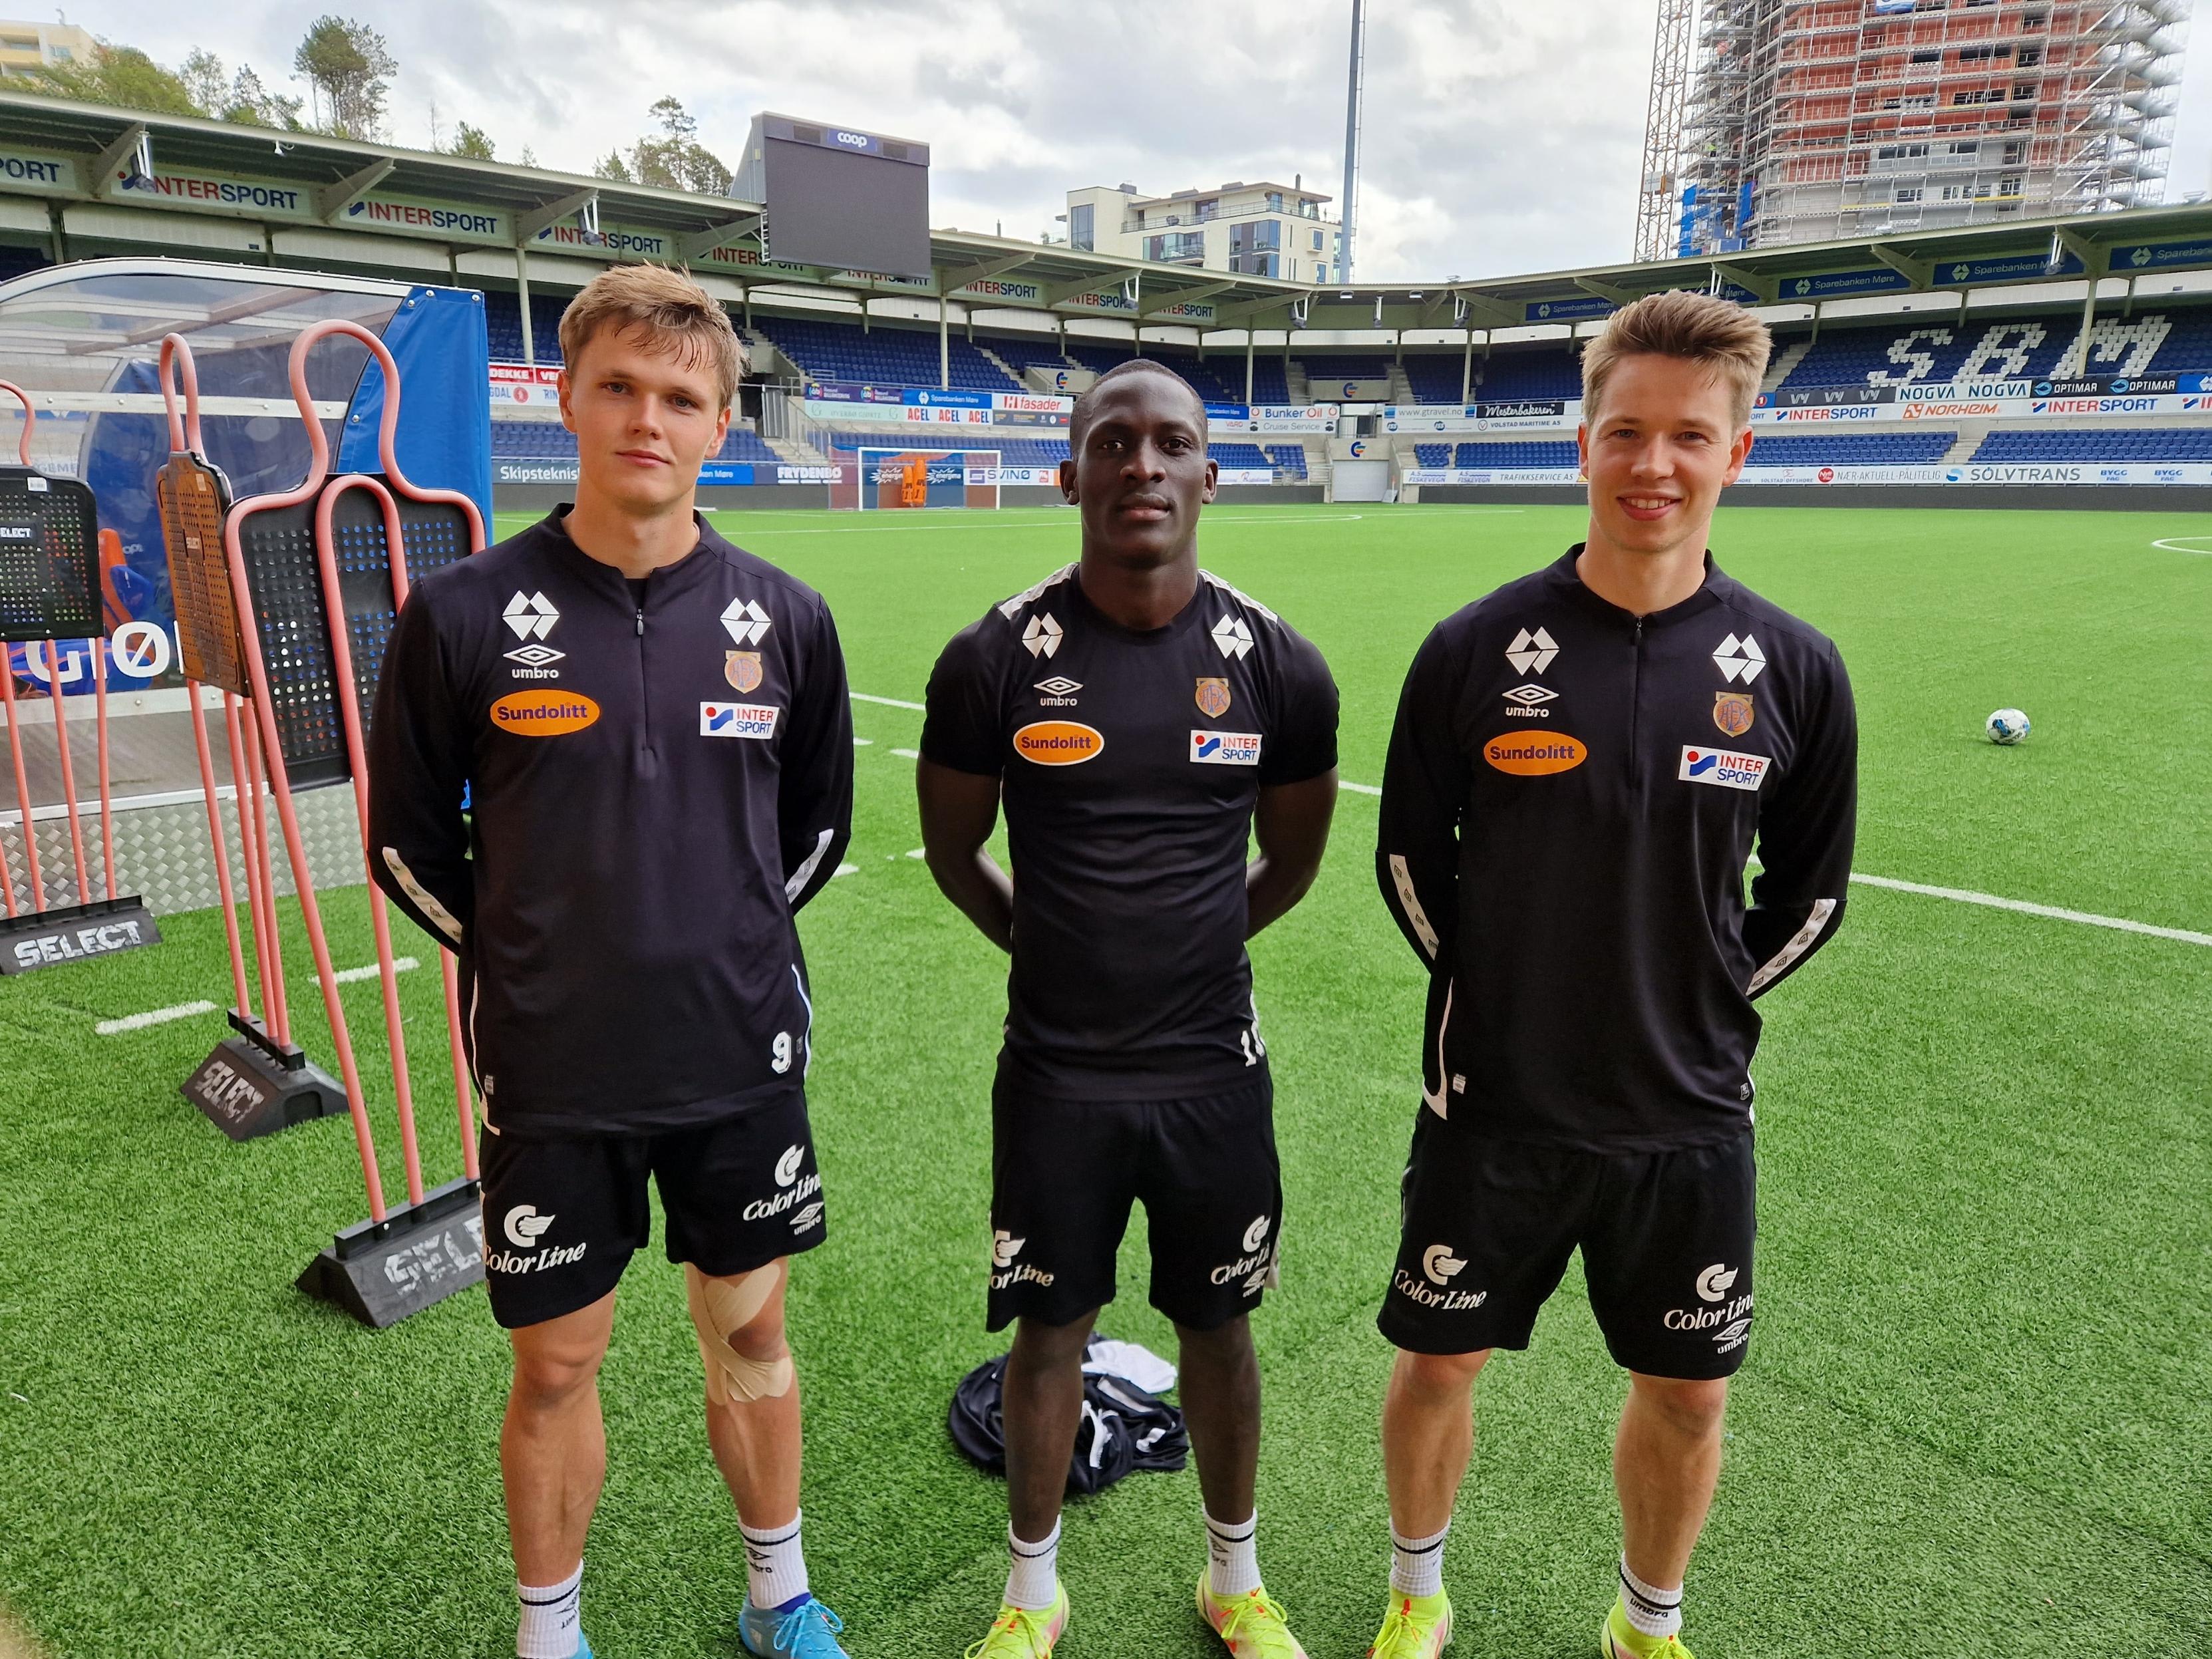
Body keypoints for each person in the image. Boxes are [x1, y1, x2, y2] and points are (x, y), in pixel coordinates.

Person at [368, 263, 856, 1659]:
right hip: (555, 1066)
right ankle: (551, 1634)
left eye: (682, 398)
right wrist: (534, 962)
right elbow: (406, 844)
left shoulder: (785, 616)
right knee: (556, 1361)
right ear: (568, 399)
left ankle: (777, 1599)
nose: (650, 418)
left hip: (737, 1056)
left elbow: (817, 830)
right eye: (621, 388)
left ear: (719, 425)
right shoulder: (462, 612)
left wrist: (730, 938)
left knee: (752, 1335)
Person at [1364, 290, 1858, 1659]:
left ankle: (1647, 1622)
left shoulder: (1795, 670)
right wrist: (1503, 997)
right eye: (1626, 431)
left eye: (1688, 436)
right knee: (1438, 1359)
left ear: (1735, 453)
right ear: (1581, 441)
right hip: (1495, 1103)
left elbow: (1810, 894)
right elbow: (1407, 861)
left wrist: (1700, 999)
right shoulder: (1473, 648)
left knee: (1688, 1391)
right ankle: (1416, 1595)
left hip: (1685, 1113)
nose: (1655, 464)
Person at [916, 360, 1340, 1659]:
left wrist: (1188, 952)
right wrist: (1051, 950)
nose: (1141, 465)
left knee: (1218, 1326)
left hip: (1213, 1067)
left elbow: (1292, 863)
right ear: (1071, 475)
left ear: (1208, 475)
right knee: (1051, 1330)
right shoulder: (994, 656)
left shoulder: (1278, 663)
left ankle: (1234, 1579)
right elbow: (954, 851)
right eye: (1113, 442)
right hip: (1056, 1072)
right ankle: (1030, 1593)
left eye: (1169, 444)